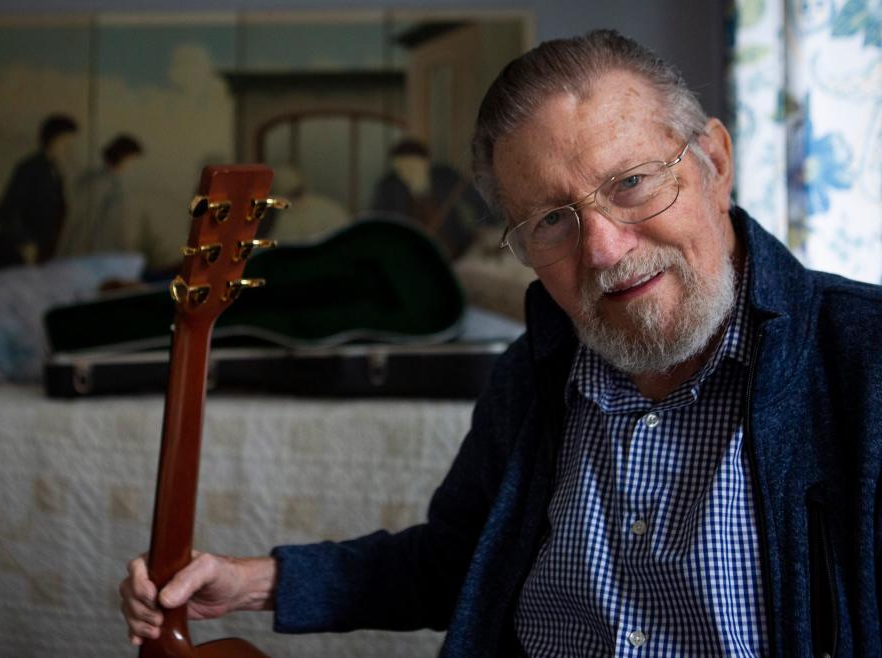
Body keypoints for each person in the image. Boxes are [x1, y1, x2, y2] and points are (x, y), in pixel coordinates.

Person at [120, 30, 882, 656]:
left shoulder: (866, 361)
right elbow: (461, 560)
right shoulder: (536, 370)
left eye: (631, 184)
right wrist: (256, 582)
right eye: (552, 221)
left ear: (714, 162)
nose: (606, 250)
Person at [370, 138, 489, 260]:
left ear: (426, 163)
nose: (406, 173)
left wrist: (486, 229)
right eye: (401, 169)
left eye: (412, 167)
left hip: (453, 247)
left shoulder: (445, 176)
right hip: (409, 252)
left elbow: (478, 201)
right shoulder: (388, 186)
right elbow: (378, 222)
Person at [0, 114, 78, 268]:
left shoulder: (54, 170)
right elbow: (7, 210)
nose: (68, 147)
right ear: (54, 138)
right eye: (66, 141)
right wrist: (24, 243)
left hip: (42, 253)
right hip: (19, 255)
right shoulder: (31, 168)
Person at [56, 134, 144, 258]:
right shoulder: (98, 182)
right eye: (131, 159)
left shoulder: (114, 182)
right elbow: (84, 220)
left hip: (108, 250)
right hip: (94, 251)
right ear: (123, 157)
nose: (131, 165)